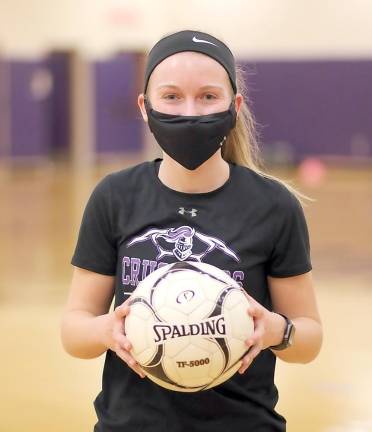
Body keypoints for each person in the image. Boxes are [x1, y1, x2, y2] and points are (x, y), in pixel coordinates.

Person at [60, 29, 323, 431]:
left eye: (207, 96)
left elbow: (309, 339)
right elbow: (74, 331)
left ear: (234, 105)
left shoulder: (273, 206)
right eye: (171, 96)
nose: (189, 112)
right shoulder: (115, 197)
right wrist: (106, 330)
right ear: (145, 107)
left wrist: (277, 330)